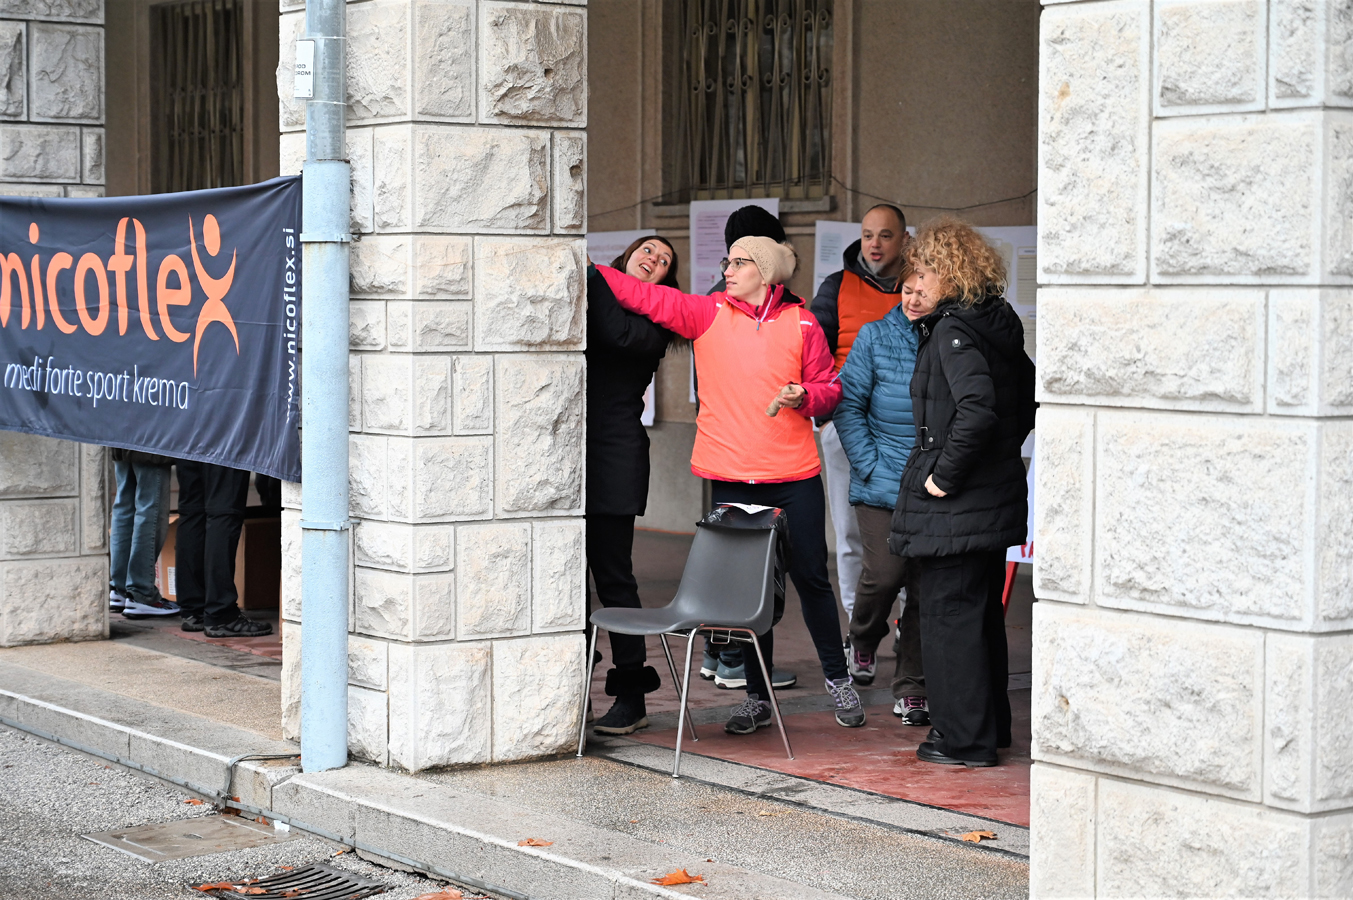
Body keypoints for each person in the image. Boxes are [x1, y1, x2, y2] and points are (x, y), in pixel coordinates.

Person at [595, 236, 866, 734]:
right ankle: (756, 697)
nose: (728, 270)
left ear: (765, 272)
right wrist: (582, 262)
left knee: (811, 578)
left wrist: (805, 395)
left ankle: (838, 679)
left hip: (793, 476)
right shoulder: (707, 313)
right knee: (747, 593)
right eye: (728, 261)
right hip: (732, 477)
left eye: (739, 263)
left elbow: (830, 389)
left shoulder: (803, 322)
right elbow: (641, 294)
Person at [890, 217, 1036, 767]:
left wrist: (944, 476)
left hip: (956, 504)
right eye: (912, 273)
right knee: (977, 618)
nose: (914, 283)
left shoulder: (953, 331)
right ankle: (988, 730)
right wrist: (994, 460)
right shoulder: (994, 320)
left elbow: (977, 411)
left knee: (949, 620)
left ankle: (962, 740)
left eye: (925, 272)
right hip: (988, 498)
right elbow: (1024, 400)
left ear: (953, 274)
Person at [697, 204, 796, 694]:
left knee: (723, 549)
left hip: (720, 447)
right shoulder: (747, 302)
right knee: (752, 559)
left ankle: (718, 653)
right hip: (753, 452)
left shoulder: (717, 297)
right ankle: (738, 660)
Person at [810, 203, 911, 680]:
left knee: (907, 535)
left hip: (906, 432)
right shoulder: (836, 287)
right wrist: (827, 419)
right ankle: (859, 633)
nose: (874, 244)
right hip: (846, 428)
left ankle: (909, 628)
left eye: (885, 235)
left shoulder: (920, 288)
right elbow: (813, 354)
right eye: (869, 234)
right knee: (850, 535)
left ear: (904, 240)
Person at [585, 236, 681, 735]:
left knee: (614, 578)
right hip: (567, 450)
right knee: (565, 580)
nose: (653, 259)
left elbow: (615, 334)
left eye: (664, 261)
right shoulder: (594, 291)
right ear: (627, 256)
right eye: (647, 250)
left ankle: (631, 697)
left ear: (666, 280)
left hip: (614, 457)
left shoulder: (656, 321)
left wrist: (592, 274)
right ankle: (572, 688)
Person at [834, 268, 931, 725]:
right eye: (907, 291)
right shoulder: (874, 336)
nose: (913, 300)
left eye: (923, 293)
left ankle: (912, 688)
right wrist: (869, 464)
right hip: (880, 481)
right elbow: (848, 406)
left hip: (931, 486)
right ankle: (863, 637)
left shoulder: (948, 339)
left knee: (924, 588)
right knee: (885, 573)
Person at [176, 463, 272, 637]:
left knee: (192, 512)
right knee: (224, 510)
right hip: (225, 447)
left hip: (187, 446)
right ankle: (220, 613)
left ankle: (193, 611)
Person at [109, 449, 180, 619]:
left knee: (124, 504)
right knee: (151, 506)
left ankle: (120, 589)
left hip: (119, 437)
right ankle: (141, 594)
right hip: (150, 439)